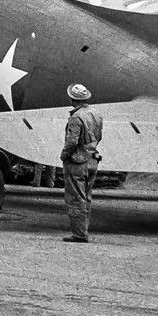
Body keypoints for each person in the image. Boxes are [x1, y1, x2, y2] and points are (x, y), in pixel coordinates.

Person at [59, 82, 104, 242]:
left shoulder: (76, 117)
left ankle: (79, 234)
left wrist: (64, 155)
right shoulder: (96, 114)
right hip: (92, 159)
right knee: (86, 197)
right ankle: (82, 230)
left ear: (73, 99)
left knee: (76, 198)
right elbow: (99, 136)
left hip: (77, 162)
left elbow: (72, 141)